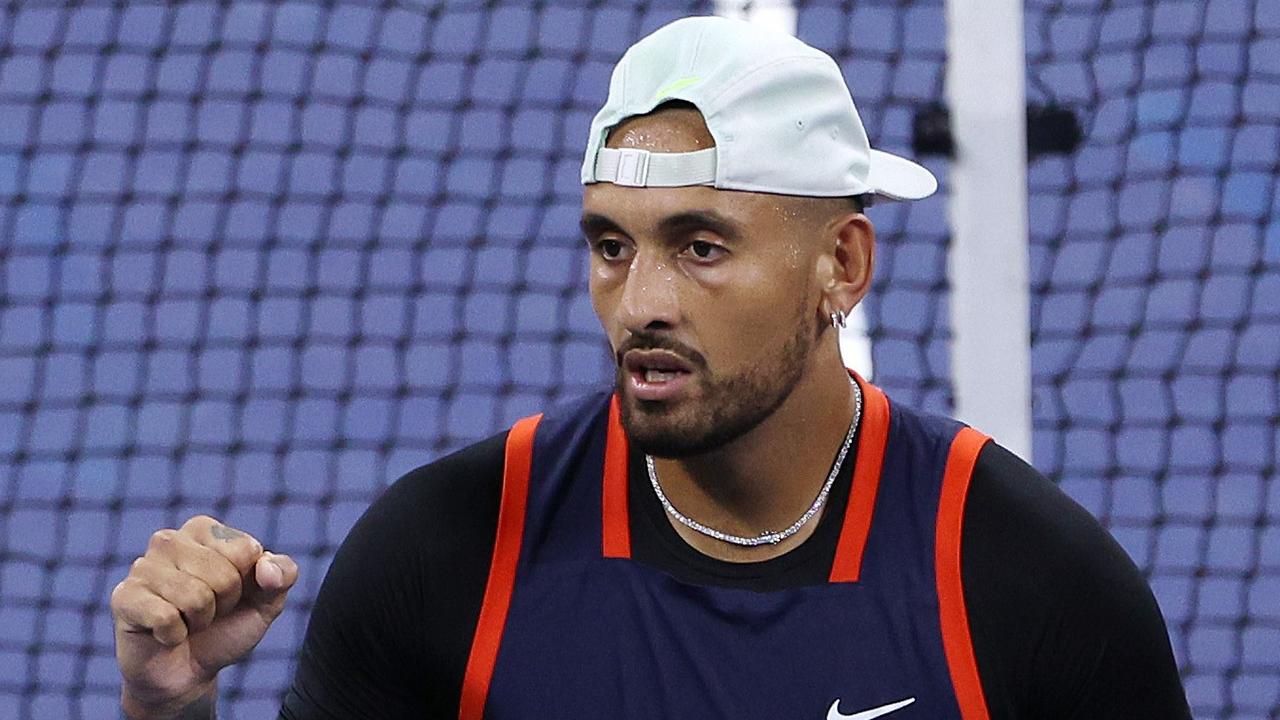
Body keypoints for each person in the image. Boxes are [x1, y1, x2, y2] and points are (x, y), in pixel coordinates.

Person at [111, 16, 1191, 720]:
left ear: (840, 264)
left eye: (701, 246)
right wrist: (171, 711)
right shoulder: (445, 557)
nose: (641, 305)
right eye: (611, 245)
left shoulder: (1022, 589)